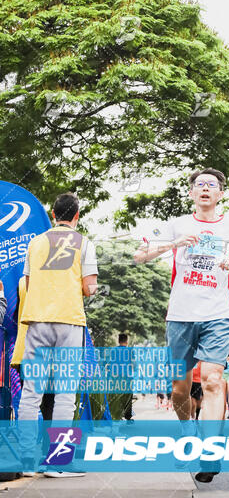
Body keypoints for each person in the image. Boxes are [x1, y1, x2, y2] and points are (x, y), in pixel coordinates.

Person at [134, 168, 229, 483]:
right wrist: (172, 244)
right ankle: (188, 432)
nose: (205, 189)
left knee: (214, 380)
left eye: (211, 185)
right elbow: (139, 257)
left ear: (220, 194)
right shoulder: (176, 225)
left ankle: (211, 451)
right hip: (180, 315)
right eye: (199, 185)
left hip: (218, 314)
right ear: (191, 193)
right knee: (180, 387)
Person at [18, 192, 98, 477]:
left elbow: (27, 282)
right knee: (65, 392)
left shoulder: (35, 242)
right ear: (76, 216)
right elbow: (89, 288)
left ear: (53, 214)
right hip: (68, 321)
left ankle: (27, 460)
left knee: (31, 392)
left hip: (36, 320)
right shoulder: (84, 243)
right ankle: (58, 462)